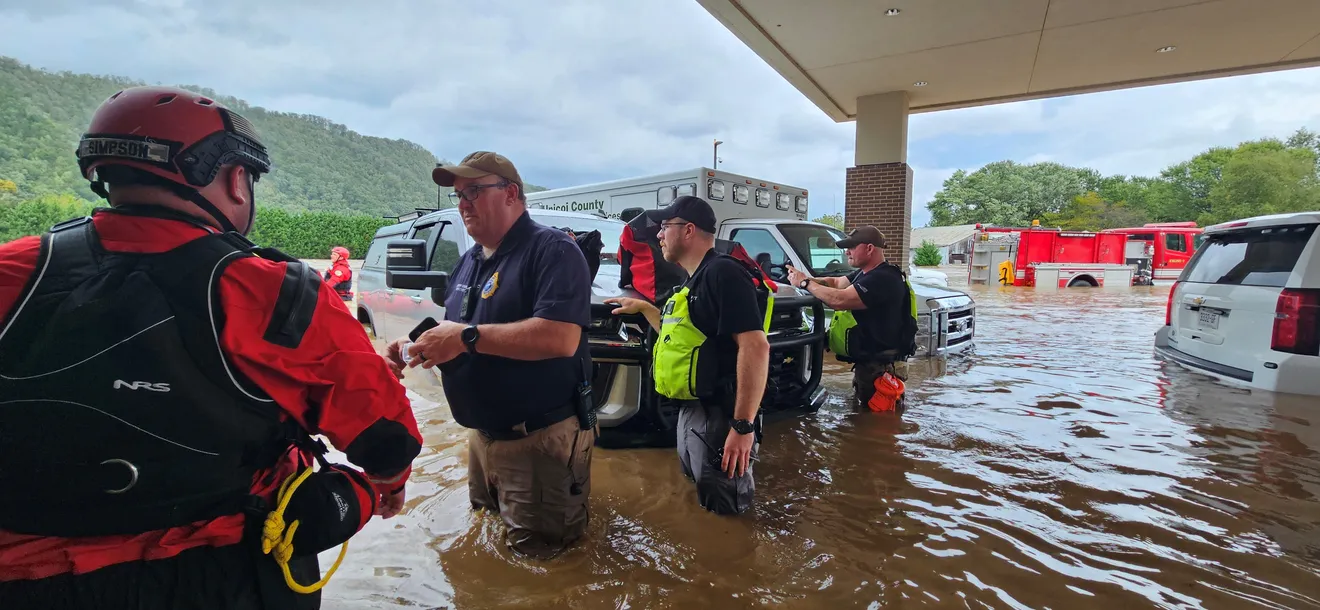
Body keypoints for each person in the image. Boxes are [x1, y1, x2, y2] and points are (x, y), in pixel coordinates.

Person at [0, 85, 423, 610]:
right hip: (222, 572)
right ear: (234, 180)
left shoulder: (14, 269)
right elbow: (386, 440)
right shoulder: (275, 291)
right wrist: (384, 487)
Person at [388, 151, 595, 559]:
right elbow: (464, 328)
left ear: (511, 194)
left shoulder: (553, 250)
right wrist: (416, 345)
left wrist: (465, 337)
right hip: (482, 439)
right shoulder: (469, 261)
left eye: (474, 192)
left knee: (547, 566)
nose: (463, 203)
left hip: (538, 441)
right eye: (459, 195)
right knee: (489, 544)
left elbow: (561, 337)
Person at [604, 196, 772, 515]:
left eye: (665, 226)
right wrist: (645, 309)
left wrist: (743, 426)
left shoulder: (723, 272)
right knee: (703, 502)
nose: (658, 235)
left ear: (688, 230)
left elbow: (756, 346)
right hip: (694, 412)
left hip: (721, 415)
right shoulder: (694, 278)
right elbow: (686, 336)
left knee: (727, 511)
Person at [785, 225, 917, 413]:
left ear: (869, 248)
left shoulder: (883, 278)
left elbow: (839, 300)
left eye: (852, 247)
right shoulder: (866, 273)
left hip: (881, 368)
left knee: (877, 421)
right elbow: (835, 283)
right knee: (868, 416)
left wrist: (805, 284)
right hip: (873, 364)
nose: (847, 252)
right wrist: (804, 278)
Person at [616, 206, 687, 303]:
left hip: (657, 294)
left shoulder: (635, 228)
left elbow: (623, 258)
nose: (659, 235)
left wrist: (624, 280)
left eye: (665, 228)